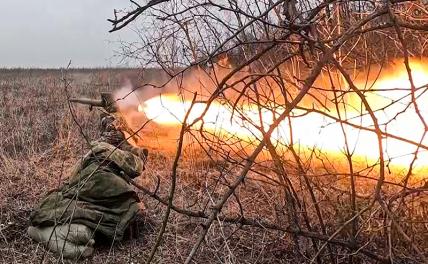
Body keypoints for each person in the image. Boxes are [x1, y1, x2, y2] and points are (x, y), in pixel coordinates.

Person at [27, 113, 148, 259]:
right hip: (104, 181)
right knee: (115, 211)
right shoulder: (111, 150)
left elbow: (71, 179)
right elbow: (136, 166)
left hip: (89, 182)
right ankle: (69, 236)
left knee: (71, 209)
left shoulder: (93, 150)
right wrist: (133, 148)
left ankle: (59, 234)